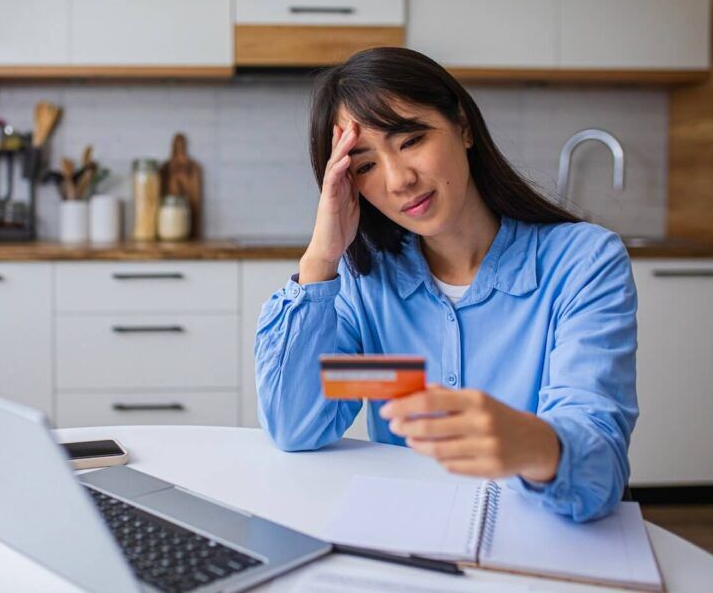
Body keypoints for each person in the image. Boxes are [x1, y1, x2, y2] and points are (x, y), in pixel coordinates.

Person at [254, 47, 638, 523]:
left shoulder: (580, 264)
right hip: (410, 539)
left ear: (463, 126)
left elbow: (599, 468)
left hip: (542, 544)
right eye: (365, 166)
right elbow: (297, 425)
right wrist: (320, 260)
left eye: (411, 140)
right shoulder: (367, 284)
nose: (399, 180)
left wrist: (530, 445)